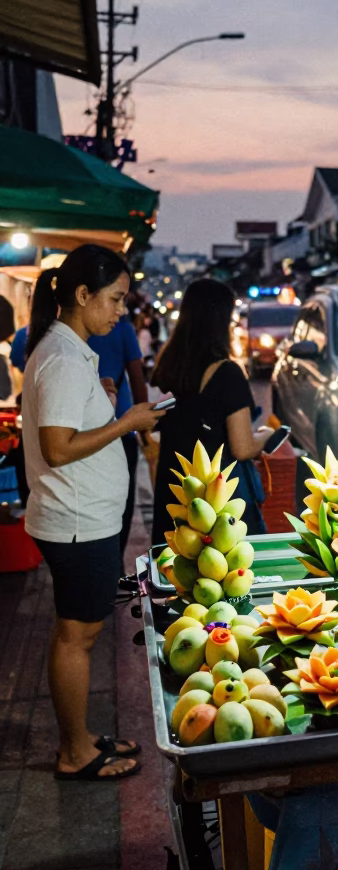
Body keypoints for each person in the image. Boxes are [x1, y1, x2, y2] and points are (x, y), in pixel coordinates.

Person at [22, 245, 166, 781]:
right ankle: (74, 752)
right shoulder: (61, 357)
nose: (121, 311)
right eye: (114, 299)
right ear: (82, 295)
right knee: (75, 636)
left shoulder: (69, 351)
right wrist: (126, 420)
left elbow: (68, 427)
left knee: (77, 634)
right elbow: (58, 448)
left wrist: (102, 400)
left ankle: (80, 736)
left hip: (84, 517)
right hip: (76, 522)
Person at [150, 278, 273, 545]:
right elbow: (242, 448)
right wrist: (266, 436)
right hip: (213, 506)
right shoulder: (227, 373)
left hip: (175, 493)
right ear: (220, 322)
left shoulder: (169, 365)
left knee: (175, 574)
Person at [88, 315, 148, 555]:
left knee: (94, 499)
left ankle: (101, 556)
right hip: (121, 426)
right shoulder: (124, 329)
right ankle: (115, 557)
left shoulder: (72, 329)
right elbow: (137, 377)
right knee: (123, 499)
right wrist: (144, 426)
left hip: (86, 429)